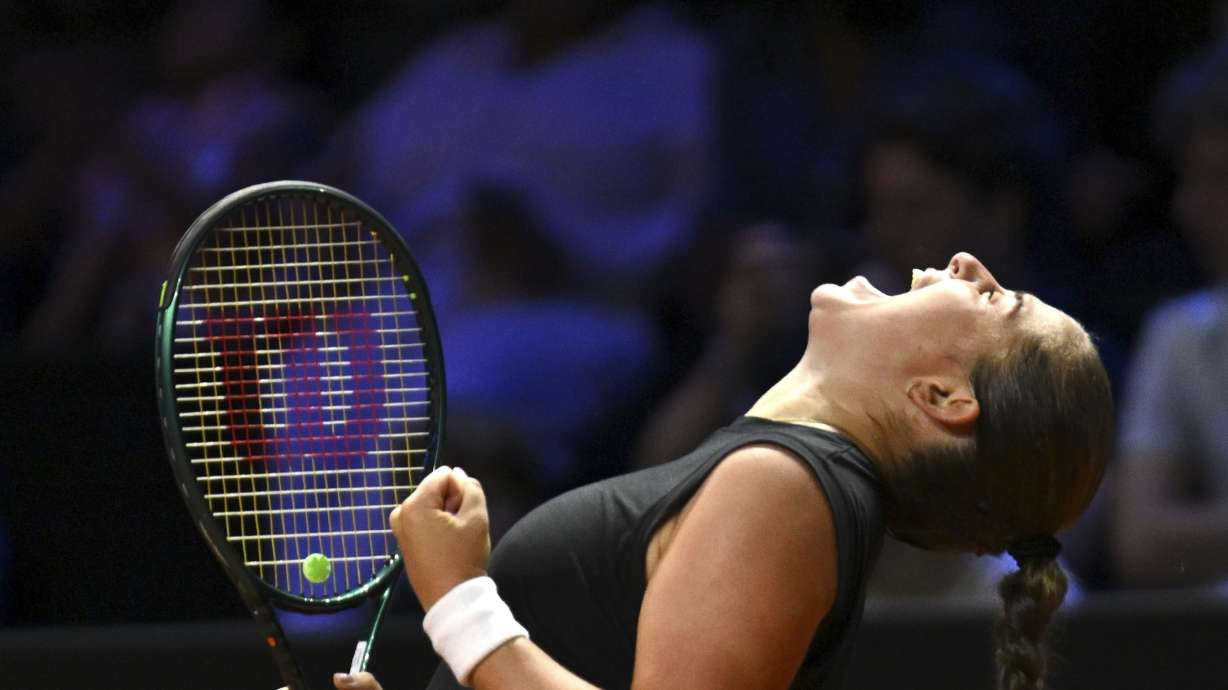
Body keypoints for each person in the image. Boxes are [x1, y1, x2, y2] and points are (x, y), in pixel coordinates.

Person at [334, 252, 1113, 690]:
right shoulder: (793, 486)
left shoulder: (786, 489)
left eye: (994, 300)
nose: (967, 263)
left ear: (941, 397)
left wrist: (461, 604)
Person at [1110, 42, 1228, 588]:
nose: (1189, 207)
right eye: (1192, 179)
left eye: (1220, 178)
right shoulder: (1182, 335)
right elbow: (1142, 542)